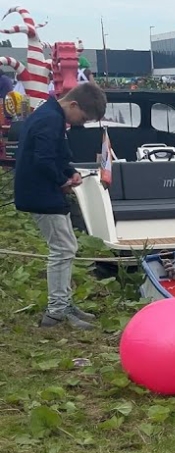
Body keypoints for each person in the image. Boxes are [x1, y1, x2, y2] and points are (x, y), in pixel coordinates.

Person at [13, 82, 106, 329]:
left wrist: (69, 171)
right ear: (73, 104)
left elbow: (56, 154)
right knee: (63, 249)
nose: (80, 123)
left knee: (67, 246)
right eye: (83, 118)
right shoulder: (50, 120)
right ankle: (56, 311)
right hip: (41, 194)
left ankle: (63, 303)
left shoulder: (49, 115)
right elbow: (43, 159)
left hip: (44, 192)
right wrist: (62, 180)